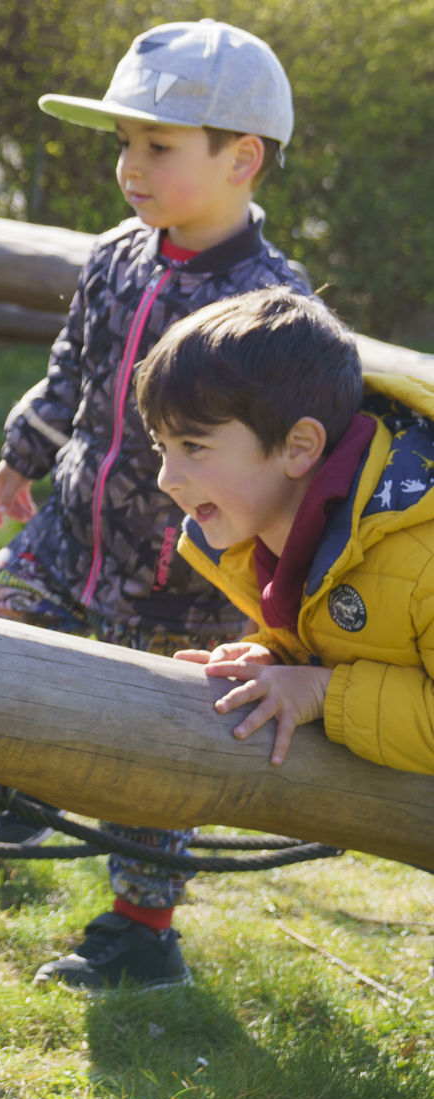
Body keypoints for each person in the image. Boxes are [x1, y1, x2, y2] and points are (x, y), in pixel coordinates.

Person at [0, 19, 307, 990]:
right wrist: (23, 448)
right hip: (69, 535)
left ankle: (142, 933)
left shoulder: (271, 304)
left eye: (156, 145)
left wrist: (277, 581)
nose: (130, 166)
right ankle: (19, 785)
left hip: (178, 583)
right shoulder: (117, 256)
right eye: (123, 144)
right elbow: (72, 368)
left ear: (241, 160)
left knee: (154, 766)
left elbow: (291, 459)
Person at [142, 290, 434, 776]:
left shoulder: (422, 558)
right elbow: (357, 636)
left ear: (299, 448)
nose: (166, 478)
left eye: (193, 445)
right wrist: (278, 656)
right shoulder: (272, 526)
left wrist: (322, 690)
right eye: (162, 447)